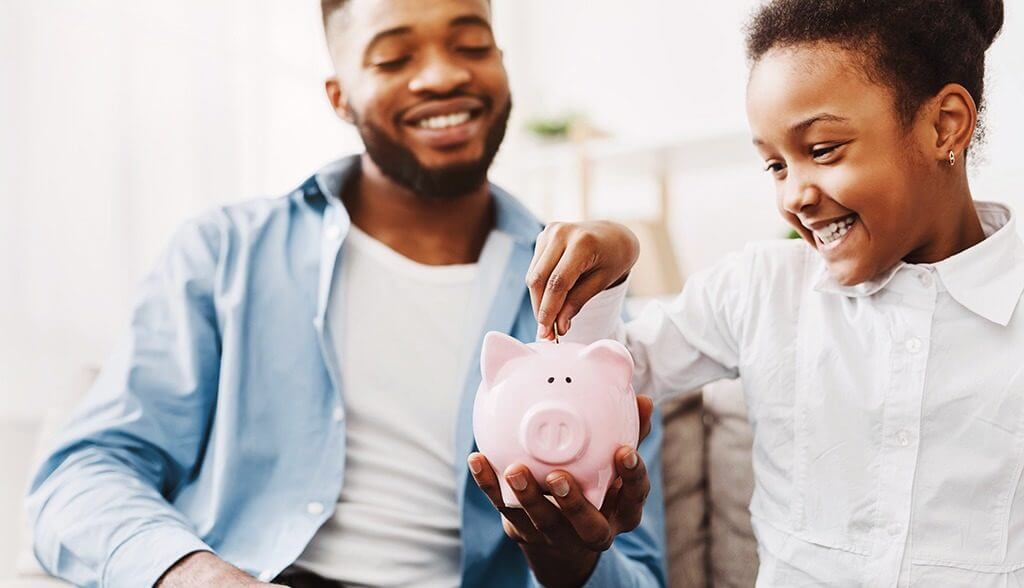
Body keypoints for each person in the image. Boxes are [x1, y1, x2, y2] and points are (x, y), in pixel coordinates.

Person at [25, 1, 666, 586]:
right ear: (339, 95)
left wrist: (569, 563)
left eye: (471, 46)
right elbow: (80, 476)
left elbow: (639, 573)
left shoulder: (582, 311)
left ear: (502, 66)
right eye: (394, 56)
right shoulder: (224, 254)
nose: (442, 76)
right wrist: (193, 575)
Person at [528, 0, 1022, 585]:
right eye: (775, 166)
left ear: (944, 125)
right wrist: (610, 267)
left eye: (821, 150)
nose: (795, 197)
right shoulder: (760, 288)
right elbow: (604, 377)